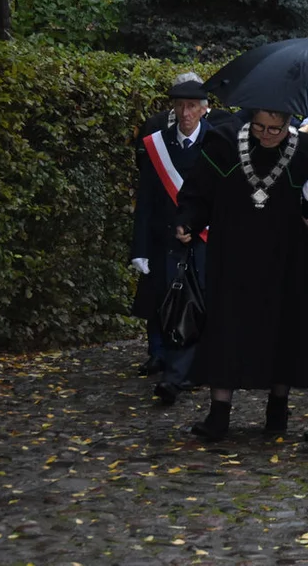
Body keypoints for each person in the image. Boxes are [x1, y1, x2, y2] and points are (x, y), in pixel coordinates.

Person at [174, 109, 308, 441]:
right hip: (234, 258)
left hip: (288, 261)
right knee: (227, 331)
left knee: (283, 332)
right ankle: (218, 414)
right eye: (259, 127)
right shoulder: (224, 144)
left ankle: (278, 408)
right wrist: (188, 220)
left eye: (275, 128)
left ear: (289, 122)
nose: (267, 134)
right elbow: (198, 191)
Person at [130, 76, 212, 399]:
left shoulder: (216, 142)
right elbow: (146, 200)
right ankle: (174, 369)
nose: (185, 113)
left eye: (192, 106)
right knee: (170, 303)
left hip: (205, 238)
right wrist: (140, 249)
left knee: (200, 302)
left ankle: (189, 371)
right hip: (166, 239)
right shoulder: (157, 145)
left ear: (204, 109)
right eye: (180, 106)